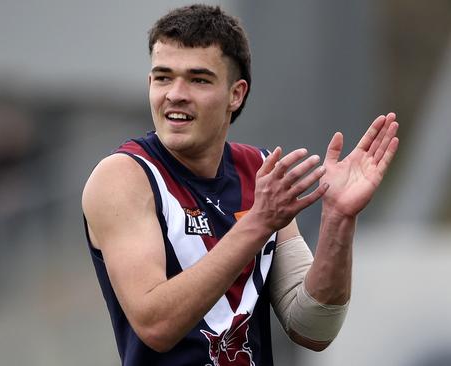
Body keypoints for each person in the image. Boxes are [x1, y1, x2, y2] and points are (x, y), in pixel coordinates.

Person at [82, 4, 399, 366]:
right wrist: (259, 222)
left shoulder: (260, 174)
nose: (175, 94)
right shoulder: (124, 176)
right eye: (163, 77)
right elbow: (156, 324)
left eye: (198, 79)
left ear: (236, 94)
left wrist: (339, 218)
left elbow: (313, 327)